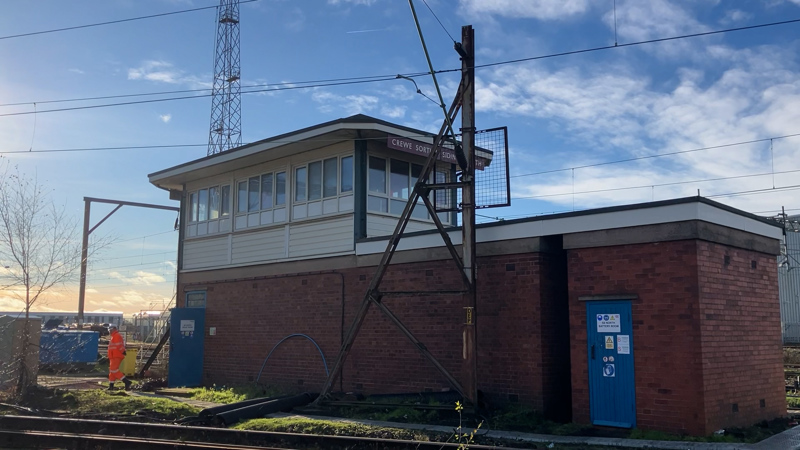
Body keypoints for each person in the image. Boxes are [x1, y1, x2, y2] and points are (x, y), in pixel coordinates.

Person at [107, 325, 132, 390]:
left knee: (114, 370)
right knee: (112, 371)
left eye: (110, 330)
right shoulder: (114, 336)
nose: (109, 331)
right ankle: (111, 385)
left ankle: (126, 381)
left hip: (116, 355)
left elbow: (119, 345)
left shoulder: (116, 336)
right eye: (109, 330)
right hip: (113, 356)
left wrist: (122, 351)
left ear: (114, 329)